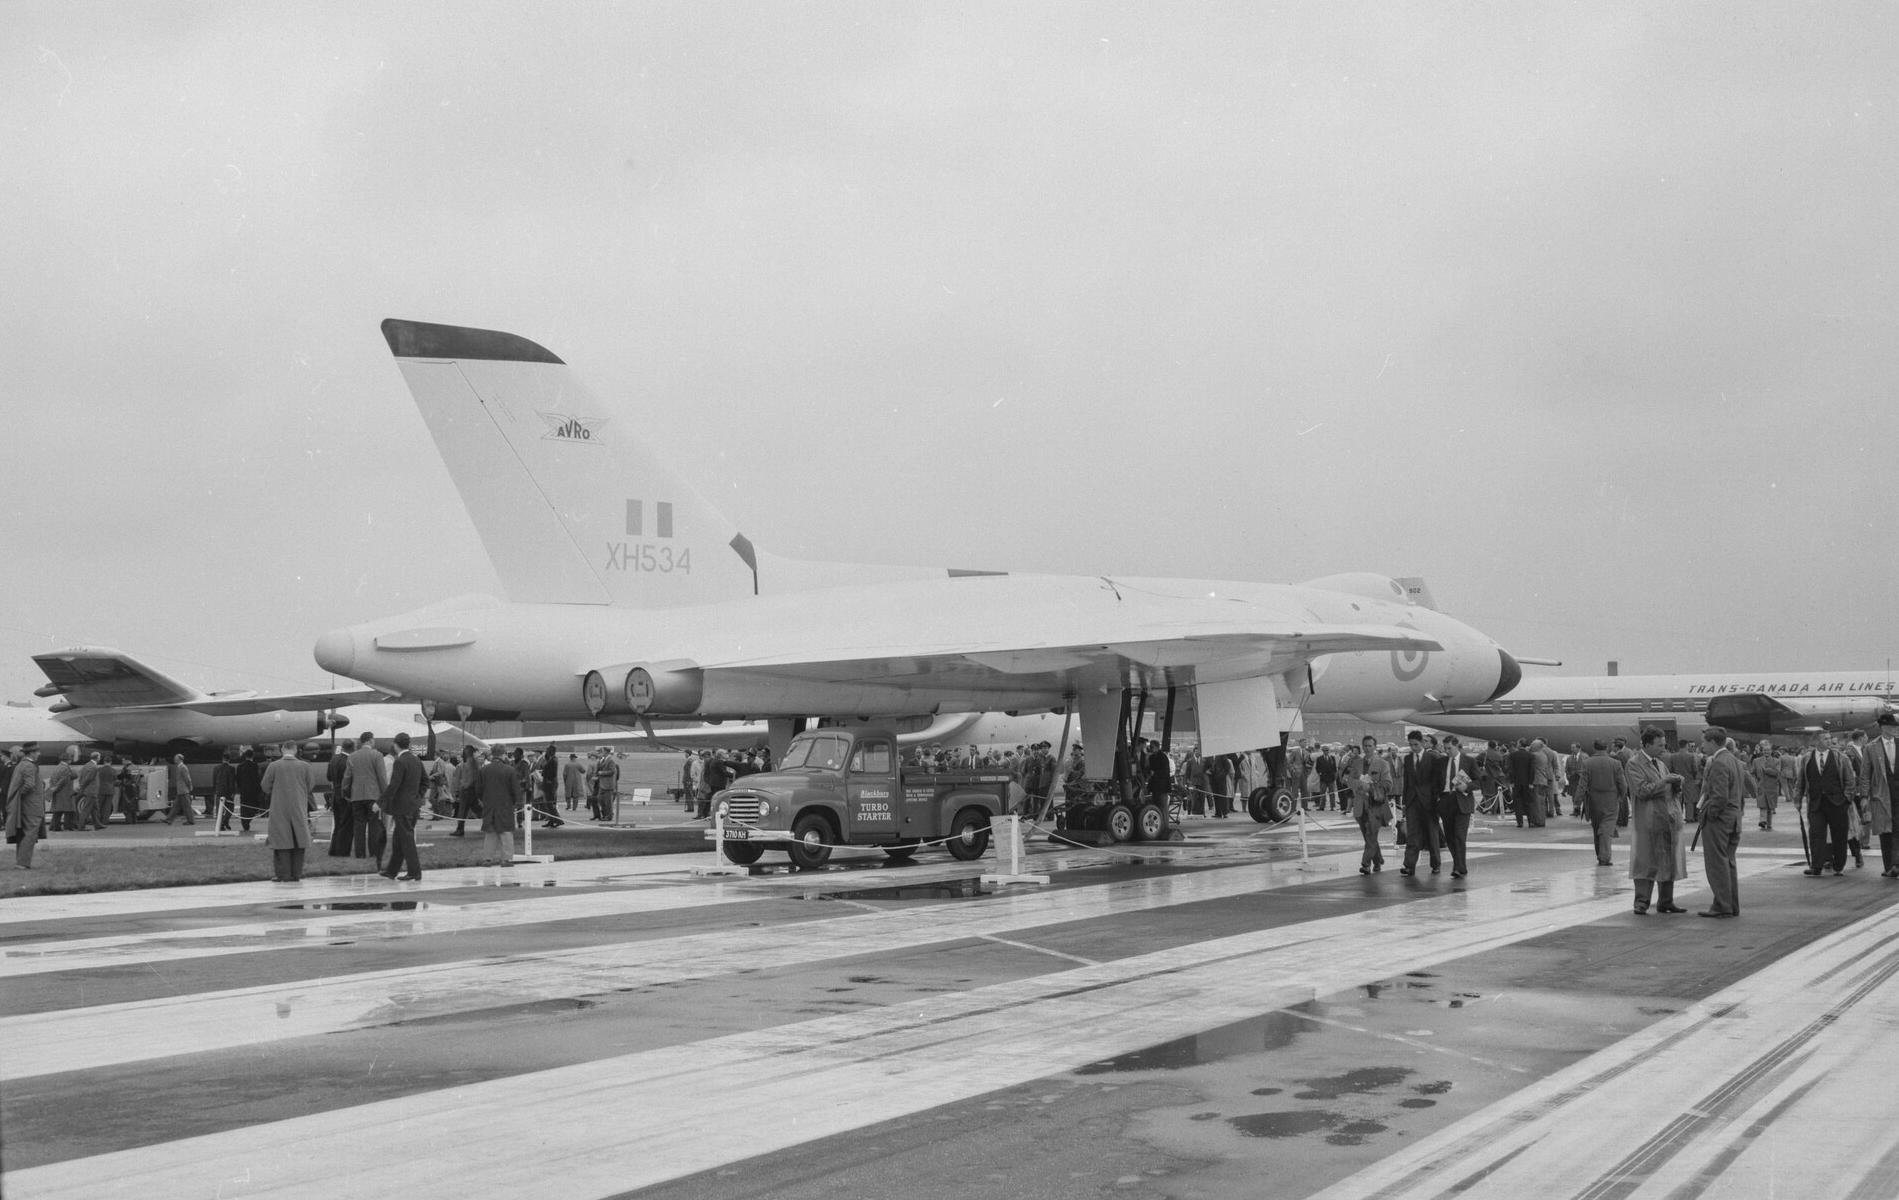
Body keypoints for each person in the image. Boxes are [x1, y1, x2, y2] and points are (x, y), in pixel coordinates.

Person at [1624, 730, 1686, 915]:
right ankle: (1641, 902)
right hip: (1647, 820)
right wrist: (1665, 781)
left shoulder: (1660, 763)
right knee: (1645, 860)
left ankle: (1666, 901)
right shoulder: (1634, 764)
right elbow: (1641, 791)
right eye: (1660, 745)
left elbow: (1668, 790)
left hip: (1667, 818)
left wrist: (1676, 784)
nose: (1663, 748)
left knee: (1668, 859)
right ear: (1647, 744)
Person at [1697, 727, 1744, 918]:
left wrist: (1711, 815)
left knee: (1717, 864)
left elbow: (1719, 796)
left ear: (1713, 742)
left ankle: (1722, 905)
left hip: (1720, 820)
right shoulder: (1734, 760)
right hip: (1734, 818)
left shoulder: (1718, 763)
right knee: (1728, 863)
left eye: (1704, 742)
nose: (1702, 745)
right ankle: (1730, 904)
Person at [1795, 731, 1856, 876]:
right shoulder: (1806, 759)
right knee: (1816, 834)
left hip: (1837, 803)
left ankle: (1839, 865)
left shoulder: (1840, 757)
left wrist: (1847, 799)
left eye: (1830, 739)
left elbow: (1850, 780)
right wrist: (1797, 799)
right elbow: (1801, 781)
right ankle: (1816, 866)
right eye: (1825, 739)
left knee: (1839, 835)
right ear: (1816, 741)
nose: (1829, 741)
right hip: (1816, 803)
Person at [261, 741, 316, 882]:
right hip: (299, 807)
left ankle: (283, 874)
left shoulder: (274, 766)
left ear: (282, 750)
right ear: (296, 750)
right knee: (299, 841)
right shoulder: (305, 766)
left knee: (281, 841)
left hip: (279, 808)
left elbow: (265, 786)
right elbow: (310, 786)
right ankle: (296, 873)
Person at [378, 731, 426, 881]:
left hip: (402, 807)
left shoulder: (400, 761)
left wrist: (380, 801)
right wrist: (417, 797)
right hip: (413, 805)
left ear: (395, 744)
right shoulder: (416, 760)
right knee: (399, 839)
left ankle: (414, 871)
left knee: (406, 840)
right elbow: (425, 781)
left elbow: (394, 785)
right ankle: (392, 871)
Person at [1346, 735, 1394, 874]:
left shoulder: (1383, 764)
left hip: (1376, 804)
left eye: (1370, 746)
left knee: (1371, 834)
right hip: (1360, 804)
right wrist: (1359, 784)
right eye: (1365, 746)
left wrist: (1371, 787)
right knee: (1368, 836)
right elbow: (1349, 780)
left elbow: (1388, 784)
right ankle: (1378, 860)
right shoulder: (1356, 763)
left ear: (1375, 747)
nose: (1367, 748)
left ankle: (1365, 864)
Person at [1398, 730, 1441, 876]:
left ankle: (1435, 864)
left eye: (1415, 744)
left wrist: (1436, 798)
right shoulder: (1408, 759)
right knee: (1413, 834)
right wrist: (1404, 802)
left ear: (1422, 742)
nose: (1413, 747)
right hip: (1412, 801)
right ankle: (1409, 865)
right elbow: (1407, 781)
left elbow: (1437, 780)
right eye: (1411, 745)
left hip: (1429, 801)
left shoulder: (1433, 758)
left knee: (1432, 833)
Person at [343, 732, 389, 867]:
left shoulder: (352, 756)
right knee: (374, 825)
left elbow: (347, 777)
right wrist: (385, 795)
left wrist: (346, 791)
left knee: (359, 826)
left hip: (356, 796)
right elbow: (381, 777)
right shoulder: (377, 755)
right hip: (373, 796)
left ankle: (360, 853)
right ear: (370, 741)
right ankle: (374, 853)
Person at [1578, 740, 1626, 867]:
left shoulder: (1587, 763)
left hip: (1594, 801)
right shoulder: (1616, 763)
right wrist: (1621, 796)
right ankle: (1604, 857)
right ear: (1607, 748)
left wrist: (1577, 801)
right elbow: (1622, 783)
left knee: (1597, 828)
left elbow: (1582, 784)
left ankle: (1600, 854)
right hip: (1611, 800)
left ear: (1594, 748)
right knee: (1606, 829)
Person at [1435, 735, 1476, 878]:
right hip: (1446, 801)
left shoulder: (1469, 761)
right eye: (1445, 749)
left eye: (1450, 748)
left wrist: (1467, 786)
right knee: (1450, 837)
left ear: (1457, 746)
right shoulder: (1441, 762)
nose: (1447, 751)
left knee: (1459, 836)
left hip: (1462, 800)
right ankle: (1459, 865)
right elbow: (1435, 783)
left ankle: (1458, 867)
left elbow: (1479, 781)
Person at [478, 748, 523, 865]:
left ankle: (487, 858)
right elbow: (515, 789)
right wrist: (516, 802)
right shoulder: (510, 770)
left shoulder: (484, 770)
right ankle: (506, 859)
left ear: (492, 755)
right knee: (506, 832)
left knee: (490, 832)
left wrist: (484, 800)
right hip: (505, 805)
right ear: (503, 755)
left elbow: (478, 789)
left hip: (489, 805)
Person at [5, 744, 46, 868]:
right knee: (30, 834)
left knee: (23, 834)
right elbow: (29, 785)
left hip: (25, 806)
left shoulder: (22, 764)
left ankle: (20, 862)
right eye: (37, 752)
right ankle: (23, 864)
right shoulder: (29, 765)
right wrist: (21, 796)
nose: (39, 754)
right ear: (31, 753)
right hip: (31, 806)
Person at [326, 744, 354, 856]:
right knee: (346, 825)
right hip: (345, 795)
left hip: (335, 794)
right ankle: (343, 850)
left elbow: (328, 777)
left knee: (337, 824)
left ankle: (333, 849)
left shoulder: (334, 759)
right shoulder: (349, 761)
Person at [45, 746, 79, 833]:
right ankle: (68, 826)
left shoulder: (57, 767)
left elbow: (53, 779)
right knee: (68, 811)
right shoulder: (66, 768)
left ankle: (54, 826)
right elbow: (63, 781)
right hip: (65, 792)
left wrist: (53, 789)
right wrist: (56, 788)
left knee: (58, 811)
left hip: (58, 792)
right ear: (68, 760)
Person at [1750, 742, 1784, 830]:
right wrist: (1755, 782)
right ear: (1762, 751)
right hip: (1761, 786)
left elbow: (1777, 772)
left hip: (1772, 787)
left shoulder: (1777, 761)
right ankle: (1762, 821)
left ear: (1771, 751)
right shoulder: (1756, 761)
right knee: (1763, 805)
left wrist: (1767, 770)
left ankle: (1768, 824)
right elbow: (1752, 772)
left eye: (1768, 750)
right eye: (1765, 750)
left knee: (1770, 807)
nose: (1766, 752)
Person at [1507, 738, 1539, 828]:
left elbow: (1511, 770)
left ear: (1520, 744)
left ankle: (1520, 822)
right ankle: (1531, 821)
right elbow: (1532, 770)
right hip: (1527, 783)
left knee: (1517, 802)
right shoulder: (1531, 756)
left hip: (1516, 782)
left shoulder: (1513, 755)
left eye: (1518, 743)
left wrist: (1512, 781)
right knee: (1529, 802)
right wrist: (1531, 782)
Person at [450, 745, 480, 836]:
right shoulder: (475, 764)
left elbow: (457, 780)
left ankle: (460, 829)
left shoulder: (463, 765)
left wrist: (457, 791)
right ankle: (491, 823)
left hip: (466, 791)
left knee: (462, 811)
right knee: (478, 810)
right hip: (473, 791)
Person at [235, 748, 265, 833]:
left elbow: (238, 778)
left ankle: (244, 822)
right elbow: (257, 778)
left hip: (243, 790)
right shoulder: (255, 766)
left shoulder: (240, 766)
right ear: (252, 756)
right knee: (253, 806)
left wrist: (240, 788)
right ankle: (248, 820)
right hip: (253, 790)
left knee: (244, 806)